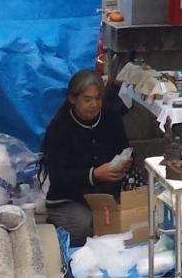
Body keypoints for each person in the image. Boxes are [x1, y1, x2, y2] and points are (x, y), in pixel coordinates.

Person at [39, 70, 131, 245]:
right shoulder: (60, 128)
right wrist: (94, 174)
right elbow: (58, 176)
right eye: (87, 99)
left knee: (130, 220)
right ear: (73, 99)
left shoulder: (110, 117)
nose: (94, 105)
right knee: (87, 227)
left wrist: (124, 163)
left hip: (106, 193)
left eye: (98, 98)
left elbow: (124, 146)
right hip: (69, 198)